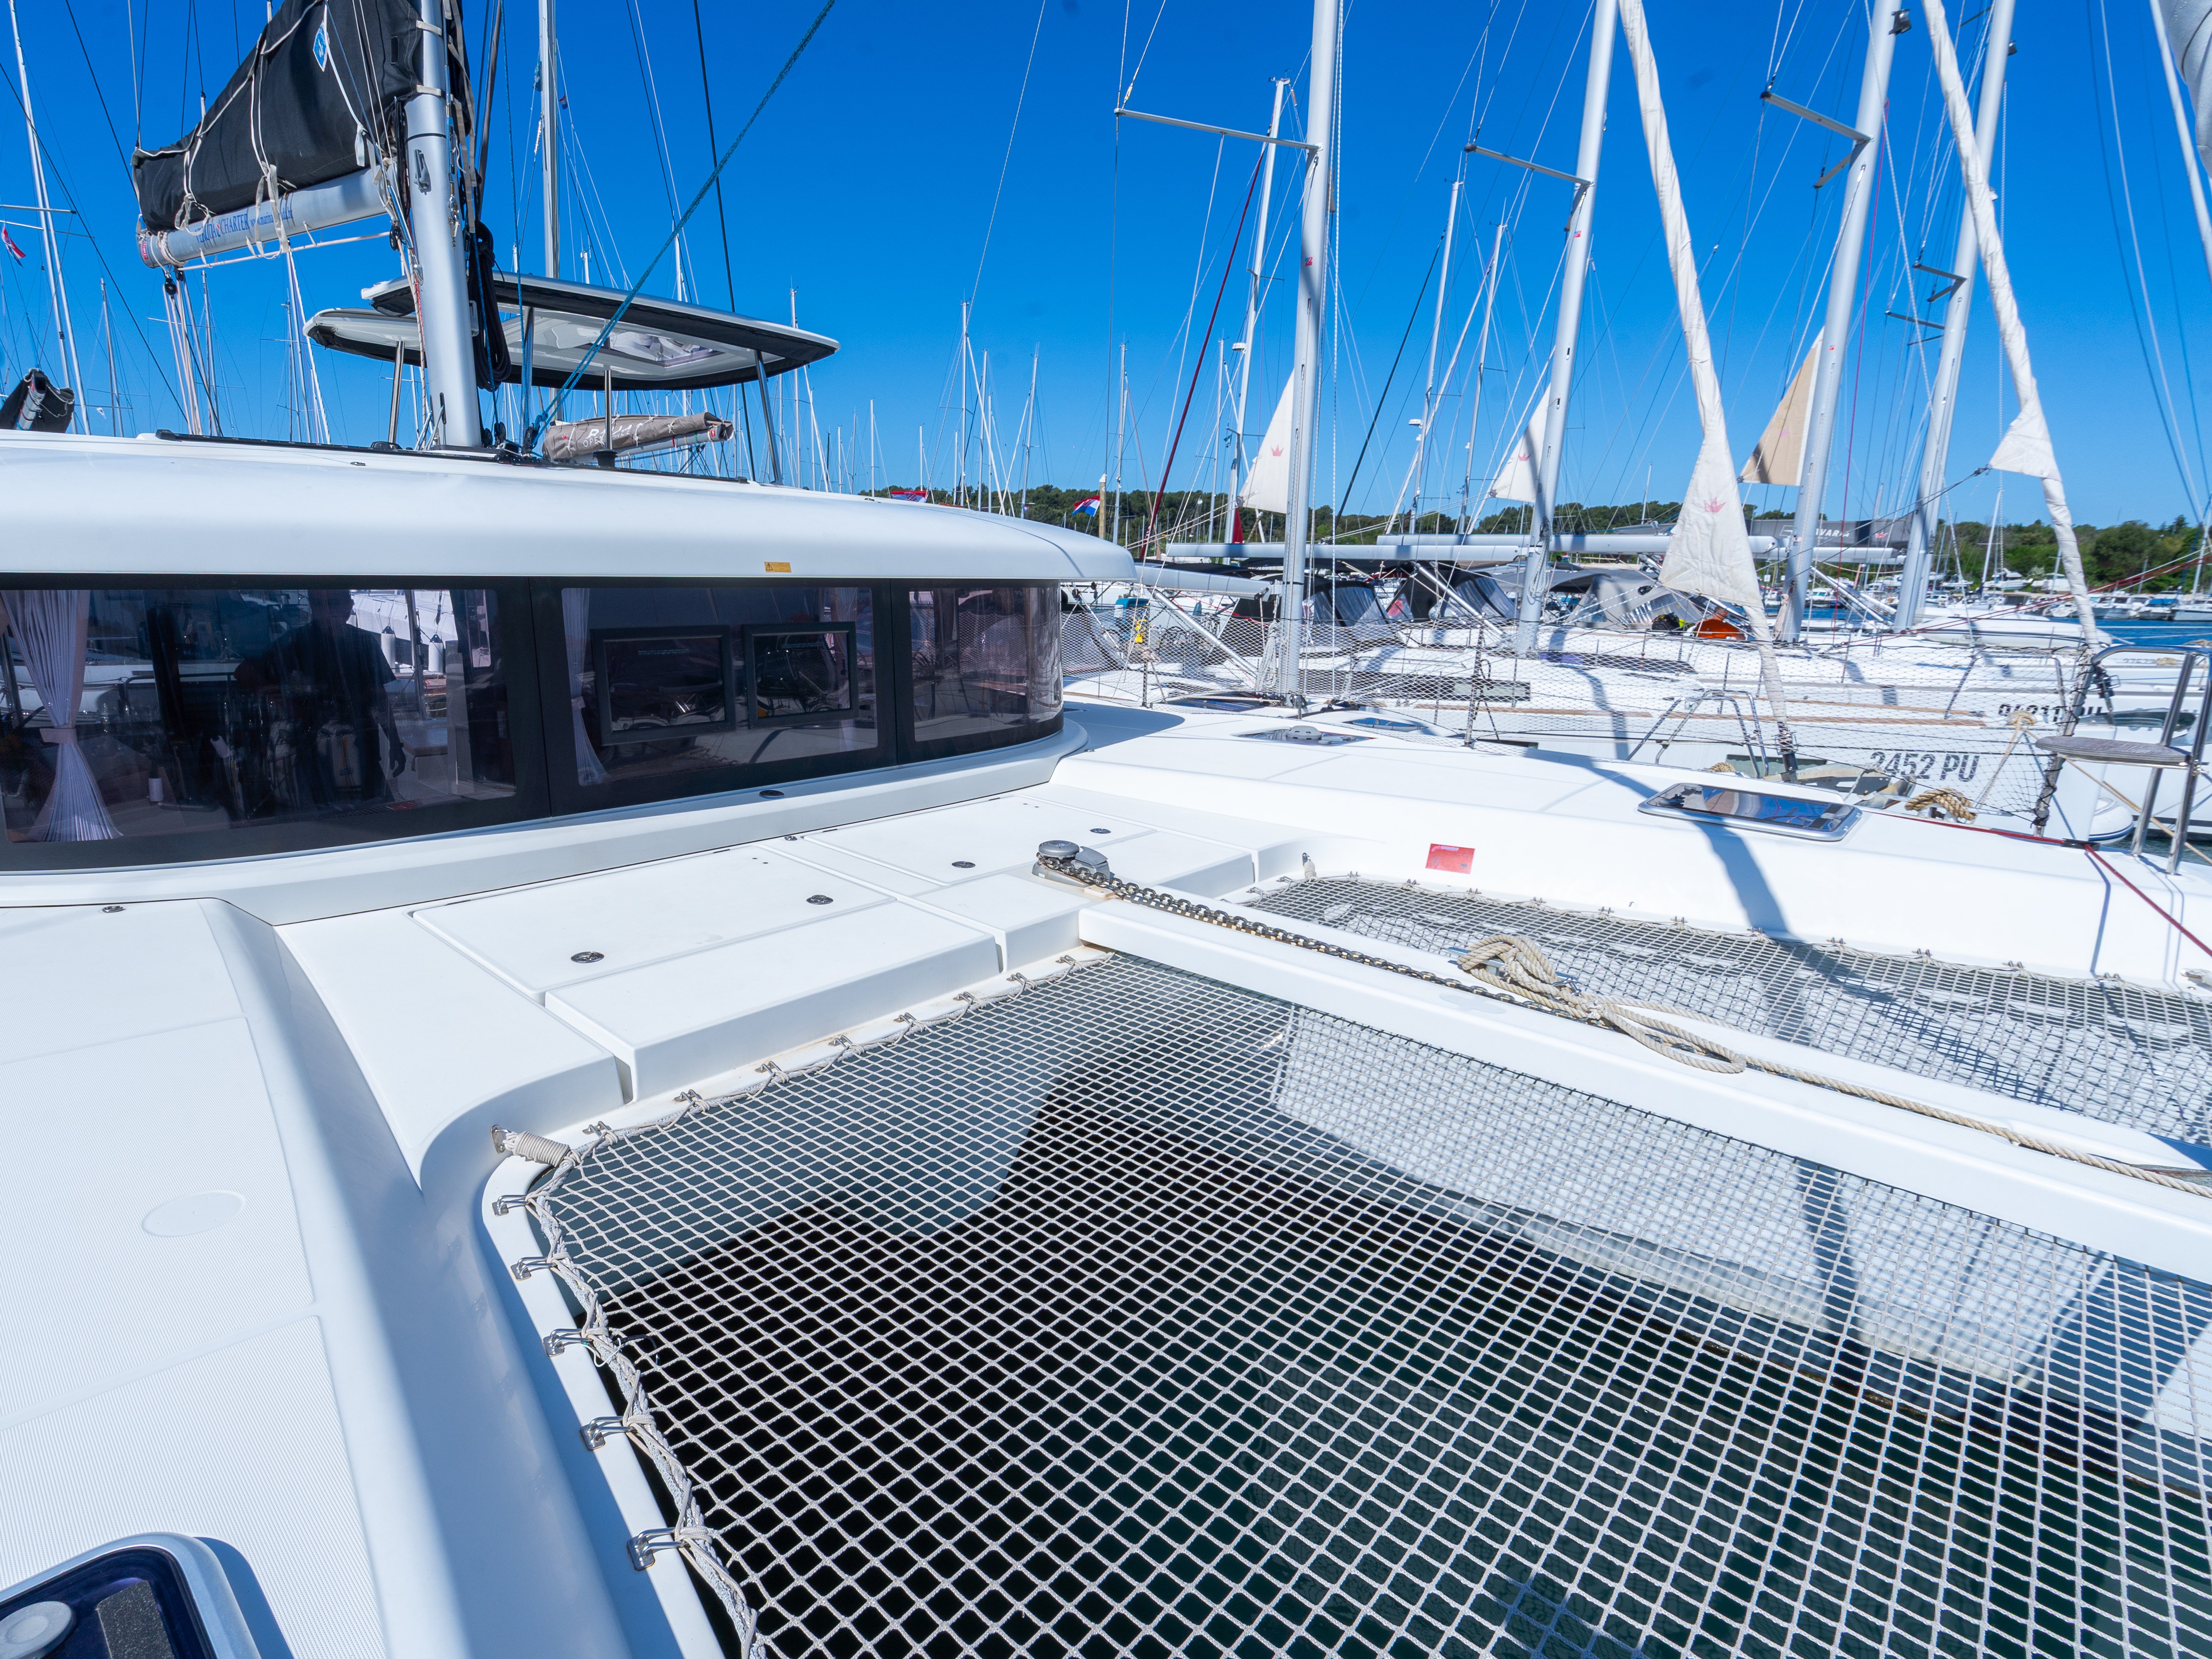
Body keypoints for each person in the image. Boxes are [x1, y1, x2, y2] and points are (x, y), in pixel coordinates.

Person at [236, 589, 406, 806]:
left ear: (349, 606)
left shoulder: (365, 642)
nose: (326, 611)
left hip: (362, 749)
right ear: (313, 608)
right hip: (312, 755)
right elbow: (244, 672)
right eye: (319, 605)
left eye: (333, 604)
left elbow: (379, 698)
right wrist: (287, 702)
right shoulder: (295, 642)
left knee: (374, 814)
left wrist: (396, 745)